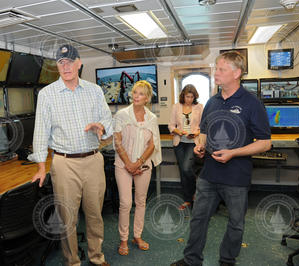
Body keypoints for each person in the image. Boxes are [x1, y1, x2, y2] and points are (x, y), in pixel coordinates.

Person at [171, 51, 271, 266]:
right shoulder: (212, 102)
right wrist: (200, 145)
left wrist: (233, 153)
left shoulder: (252, 103)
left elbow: (265, 142)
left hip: (237, 177)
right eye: (216, 68)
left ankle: (227, 261)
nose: (216, 73)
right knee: (198, 219)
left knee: (236, 224)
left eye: (221, 69)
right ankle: (191, 260)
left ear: (236, 73)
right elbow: (204, 132)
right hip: (209, 174)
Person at [28, 44, 113, 266]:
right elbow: (40, 131)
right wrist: (40, 166)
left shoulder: (94, 91)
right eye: (60, 62)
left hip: (93, 159)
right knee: (68, 218)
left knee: (95, 214)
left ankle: (96, 256)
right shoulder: (47, 95)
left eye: (69, 61)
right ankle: (72, 261)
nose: (65, 66)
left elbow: (108, 121)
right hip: (64, 163)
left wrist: (101, 126)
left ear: (79, 63)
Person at [113, 80, 162, 256]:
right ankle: (124, 239)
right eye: (134, 92)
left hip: (143, 166)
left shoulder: (152, 118)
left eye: (141, 94)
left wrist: (138, 163)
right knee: (125, 203)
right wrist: (129, 164)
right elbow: (117, 141)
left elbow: (152, 145)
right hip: (122, 165)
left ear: (147, 98)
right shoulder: (121, 115)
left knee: (140, 201)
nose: (136, 96)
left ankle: (137, 236)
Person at [168, 84, 203, 210]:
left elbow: (203, 126)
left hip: (192, 143)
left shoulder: (199, 107)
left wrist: (196, 133)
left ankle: (195, 192)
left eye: (192, 97)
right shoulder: (176, 107)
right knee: (183, 171)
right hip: (179, 143)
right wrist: (179, 132)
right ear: (183, 96)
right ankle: (188, 199)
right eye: (187, 96)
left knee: (187, 168)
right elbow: (171, 126)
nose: (189, 99)